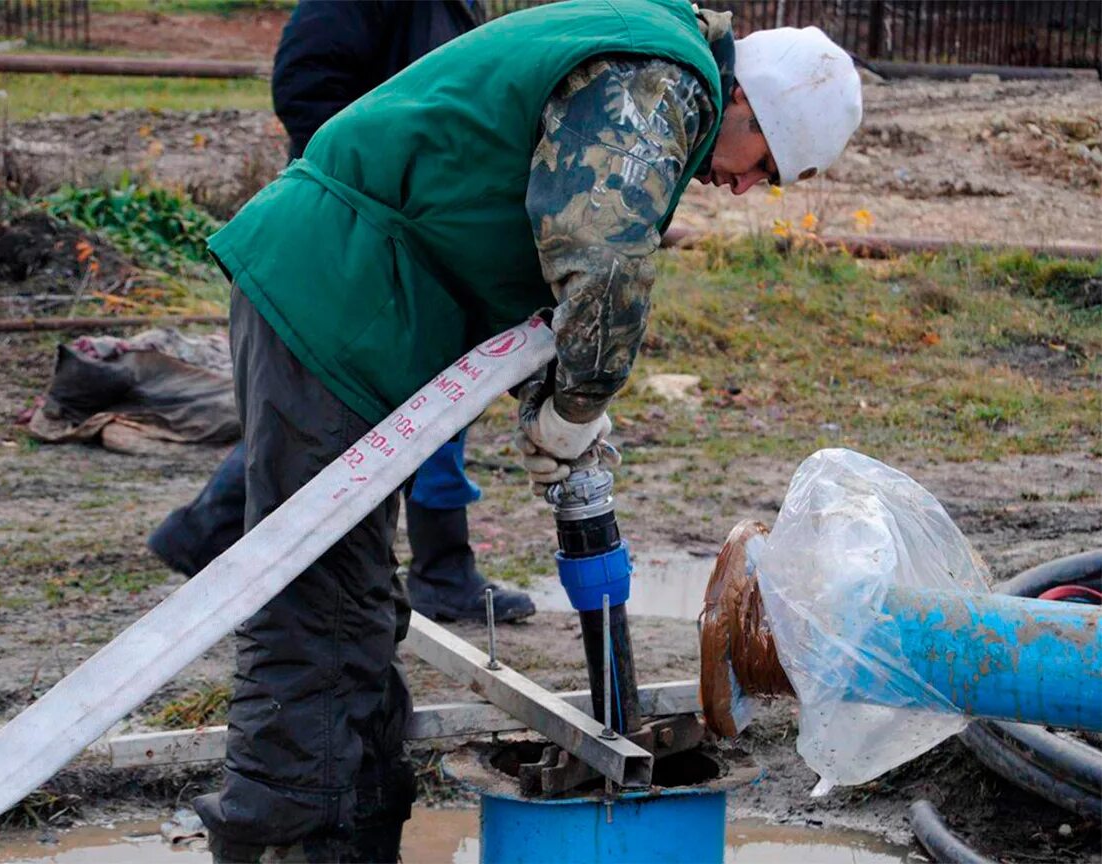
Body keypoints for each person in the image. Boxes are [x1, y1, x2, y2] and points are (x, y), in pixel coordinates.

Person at [192, 1, 863, 860]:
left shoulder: (648, 63)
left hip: (356, 301)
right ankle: (290, 844)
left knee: (354, 605)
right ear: (751, 107)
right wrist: (577, 403)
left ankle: (356, 837)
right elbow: (607, 258)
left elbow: (543, 238)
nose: (739, 189)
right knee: (316, 615)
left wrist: (561, 391)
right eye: (761, 166)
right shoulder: (661, 82)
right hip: (333, 301)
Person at [146, 0, 539, 625]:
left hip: (414, 235)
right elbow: (304, 79)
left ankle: (438, 565)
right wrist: (367, 175)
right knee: (362, 406)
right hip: (361, 231)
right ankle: (217, 532)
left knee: (419, 404)